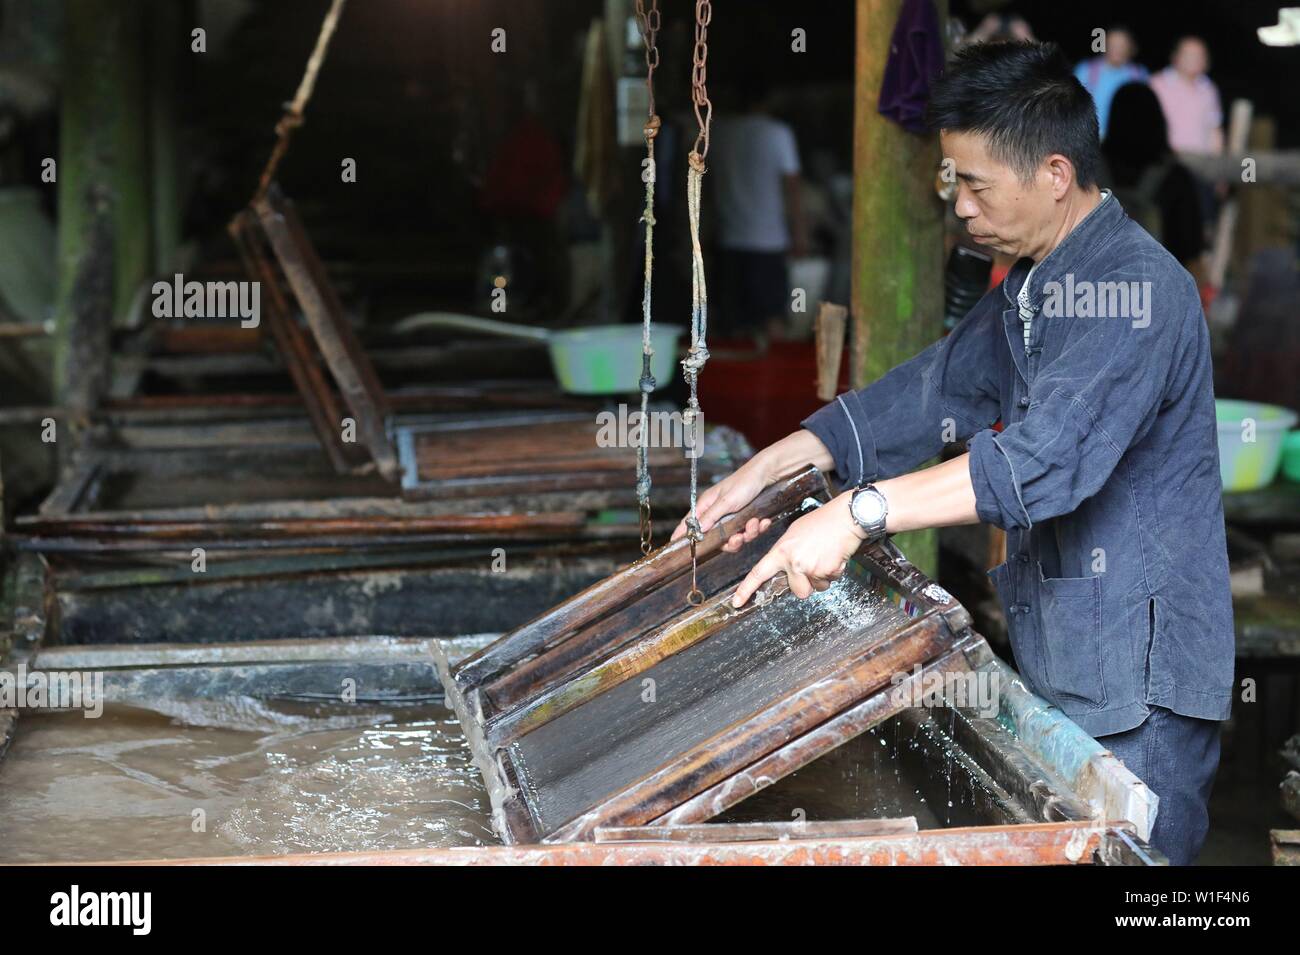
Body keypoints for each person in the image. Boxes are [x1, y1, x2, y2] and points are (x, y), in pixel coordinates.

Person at [673, 41, 1232, 866]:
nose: (960, 206)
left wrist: (856, 514)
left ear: (1052, 173)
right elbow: (937, 390)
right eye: (952, 182)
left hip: (1142, 680)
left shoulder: (1137, 290)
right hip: (1077, 651)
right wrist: (785, 458)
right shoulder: (1038, 281)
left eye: (975, 184)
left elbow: (1044, 461)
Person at [708, 78, 809, 339]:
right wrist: (800, 234)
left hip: (729, 240)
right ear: (767, 101)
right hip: (768, 242)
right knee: (772, 321)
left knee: (730, 326)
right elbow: (793, 188)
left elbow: (707, 188)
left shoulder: (718, 132)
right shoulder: (778, 133)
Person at [1101, 82, 1205, 270]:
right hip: (1158, 290)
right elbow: (1191, 251)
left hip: (1091, 289)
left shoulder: (1088, 170)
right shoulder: (1176, 178)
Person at [1150, 37, 1224, 157]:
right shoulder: (1157, 84)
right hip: (1167, 162)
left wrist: (1217, 163)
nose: (1194, 59)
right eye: (1189, 55)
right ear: (1175, 57)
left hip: (1201, 162)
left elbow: (1214, 128)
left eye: (1199, 55)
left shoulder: (1209, 89)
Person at [1073, 26, 1148, 139]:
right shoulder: (1086, 70)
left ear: (1131, 48)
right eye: (1112, 44)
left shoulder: (1139, 75)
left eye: (1122, 45)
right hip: (1091, 137)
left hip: (1126, 137)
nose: (1117, 49)